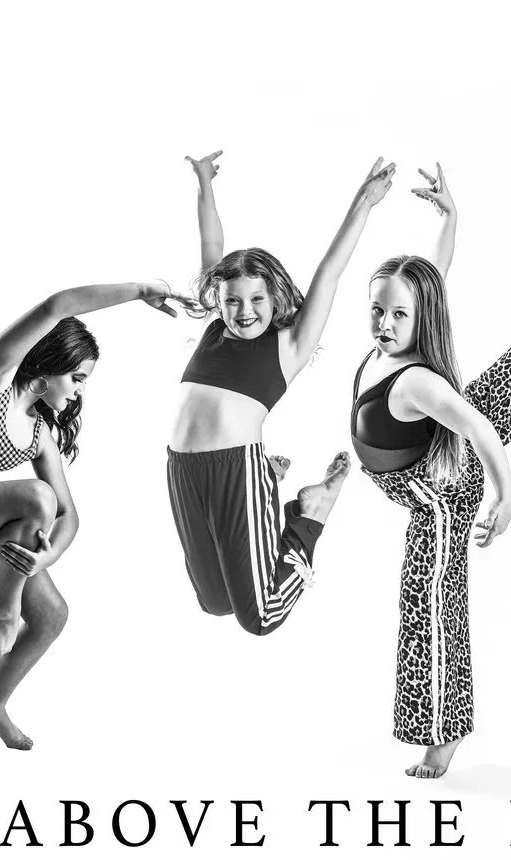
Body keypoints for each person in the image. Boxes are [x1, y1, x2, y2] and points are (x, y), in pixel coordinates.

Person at [349, 164, 511, 777]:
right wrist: (451, 219)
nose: (384, 323)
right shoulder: (397, 353)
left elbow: (483, 432)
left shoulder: (415, 380)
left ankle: (443, 735)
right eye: (378, 310)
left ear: (420, 322)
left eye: (397, 316)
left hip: (437, 497)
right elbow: (432, 282)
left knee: (430, 601)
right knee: (481, 399)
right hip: (418, 469)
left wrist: (507, 493)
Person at [0, 277, 198, 748]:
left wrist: (45, 559)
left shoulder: (41, 432)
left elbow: (71, 517)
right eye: (77, 378)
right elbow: (57, 305)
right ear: (50, 365)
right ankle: (1, 607)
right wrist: (142, 292)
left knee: (52, 614)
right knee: (39, 498)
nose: (79, 392)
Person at [168, 151, 389, 635]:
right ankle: (267, 489)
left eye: (256, 301)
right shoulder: (215, 328)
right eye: (232, 302)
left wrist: (363, 203)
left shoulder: (288, 346)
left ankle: (310, 513)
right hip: (182, 467)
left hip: (234, 465)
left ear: (275, 299)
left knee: (260, 617)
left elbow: (329, 273)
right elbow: (212, 245)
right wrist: (205, 183)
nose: (243, 311)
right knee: (216, 602)